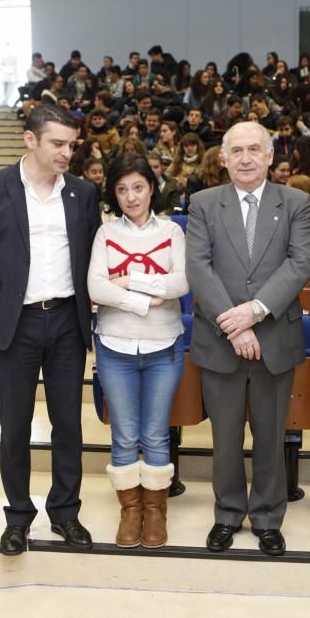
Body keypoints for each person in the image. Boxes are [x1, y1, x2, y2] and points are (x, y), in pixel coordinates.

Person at [0, 105, 100, 556]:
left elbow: (91, 253)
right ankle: (18, 518)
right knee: (15, 426)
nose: (67, 152)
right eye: (58, 143)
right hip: (15, 324)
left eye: (72, 145)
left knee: (67, 424)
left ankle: (65, 512)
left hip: (65, 320)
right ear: (31, 140)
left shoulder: (83, 193)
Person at [185, 121, 310, 557]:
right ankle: (226, 514)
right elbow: (199, 268)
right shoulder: (203, 203)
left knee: (270, 437)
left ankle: (267, 517)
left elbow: (299, 264)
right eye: (236, 150)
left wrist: (255, 313)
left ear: (270, 156)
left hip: (274, 339)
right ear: (223, 158)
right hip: (219, 341)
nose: (245, 158)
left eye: (254, 150)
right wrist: (233, 325)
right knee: (224, 439)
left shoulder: (295, 202)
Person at [87, 154, 190, 549]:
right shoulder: (105, 234)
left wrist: (128, 280)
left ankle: (157, 512)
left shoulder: (172, 232)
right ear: (114, 193)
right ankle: (131, 511)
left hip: (164, 346)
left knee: (156, 434)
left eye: (139, 187)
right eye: (122, 189)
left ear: (151, 188)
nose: (131, 196)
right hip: (115, 346)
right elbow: (96, 290)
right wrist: (148, 299)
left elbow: (182, 283)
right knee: (126, 436)